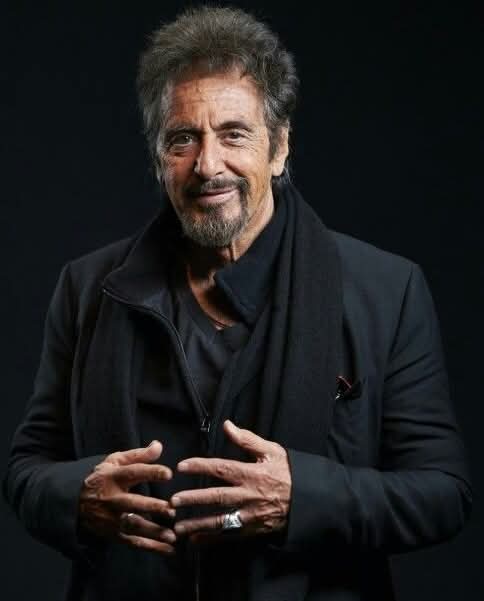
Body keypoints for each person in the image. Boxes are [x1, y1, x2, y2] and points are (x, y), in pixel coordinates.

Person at [4, 6, 472, 601]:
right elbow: (26, 469)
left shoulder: (386, 291)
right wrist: (78, 496)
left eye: (234, 134)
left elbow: (444, 493)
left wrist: (301, 499)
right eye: (182, 139)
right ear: (158, 158)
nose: (208, 165)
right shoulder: (86, 287)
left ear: (279, 148)